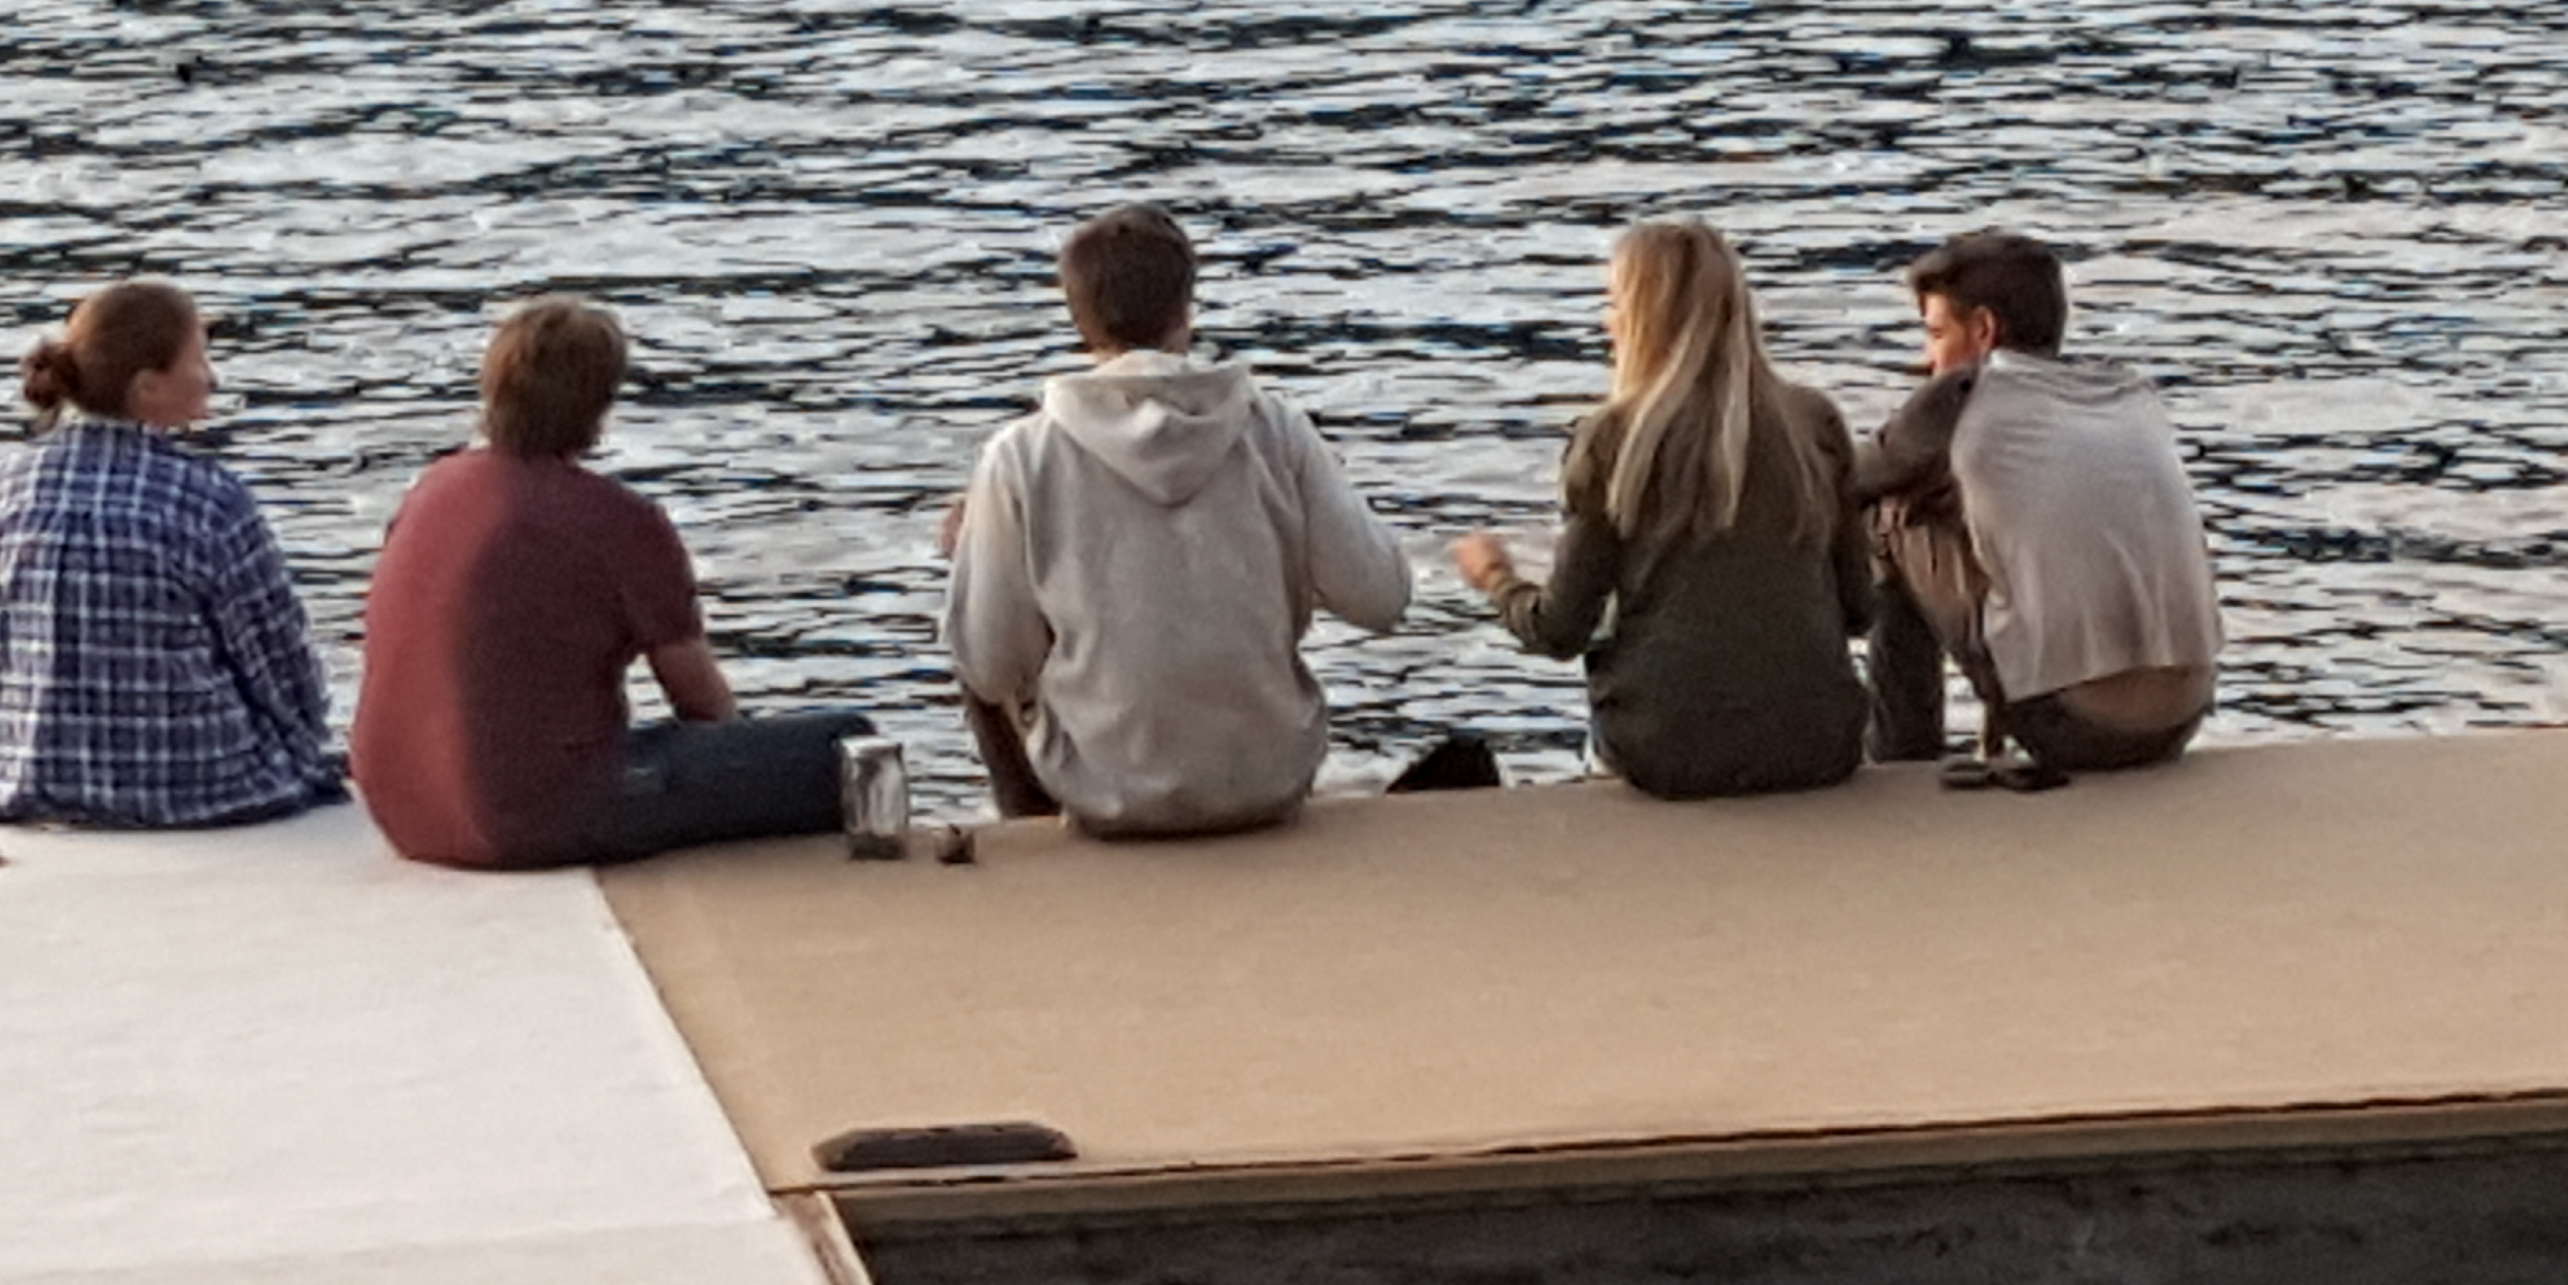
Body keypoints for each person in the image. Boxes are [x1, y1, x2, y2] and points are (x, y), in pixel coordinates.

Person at [350, 296, 872, 870]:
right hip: (528, 816)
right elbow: (701, 702)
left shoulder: (434, 489)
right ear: (599, 404)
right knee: (846, 746)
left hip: (404, 807)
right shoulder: (620, 521)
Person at [943, 204, 1412, 837]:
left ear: (1077, 319)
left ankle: (1026, 822)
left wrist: (977, 548)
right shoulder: (1275, 428)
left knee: (977, 600)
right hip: (1267, 781)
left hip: (1107, 793)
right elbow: (1382, 598)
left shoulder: (1021, 455)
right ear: (1186, 308)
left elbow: (991, 663)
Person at [1451, 219, 1870, 801]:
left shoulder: (1611, 439)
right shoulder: (1813, 422)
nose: (1607, 321)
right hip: (1819, 745)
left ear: (1643, 318)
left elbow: (1558, 630)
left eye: (1614, 303)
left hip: (1669, 752)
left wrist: (1493, 576)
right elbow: (1861, 610)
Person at [0, 277, 344, 828]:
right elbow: (279, 665)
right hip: (199, 782)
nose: (213, 377)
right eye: (199, 358)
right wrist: (310, 749)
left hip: (31, 777)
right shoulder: (210, 498)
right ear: (148, 386)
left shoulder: (2, 486)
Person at [1853, 229, 2222, 782]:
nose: (1928, 360)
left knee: (1890, 517)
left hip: (2074, 728)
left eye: (1935, 334)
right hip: (2182, 717)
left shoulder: (1959, 398)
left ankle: (1901, 755)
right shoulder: (2128, 395)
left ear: (1983, 329)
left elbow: (1846, 483)